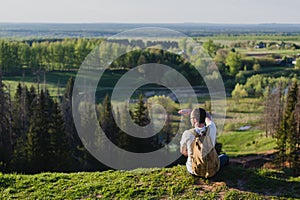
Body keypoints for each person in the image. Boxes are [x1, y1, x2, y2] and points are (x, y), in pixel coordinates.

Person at [179, 108, 229, 176]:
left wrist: (196, 155)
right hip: (212, 169)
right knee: (225, 157)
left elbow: (183, 151)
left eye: (191, 118)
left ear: (195, 120)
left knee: (190, 163)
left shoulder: (187, 133)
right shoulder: (212, 128)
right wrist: (194, 111)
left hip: (194, 170)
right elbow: (208, 116)